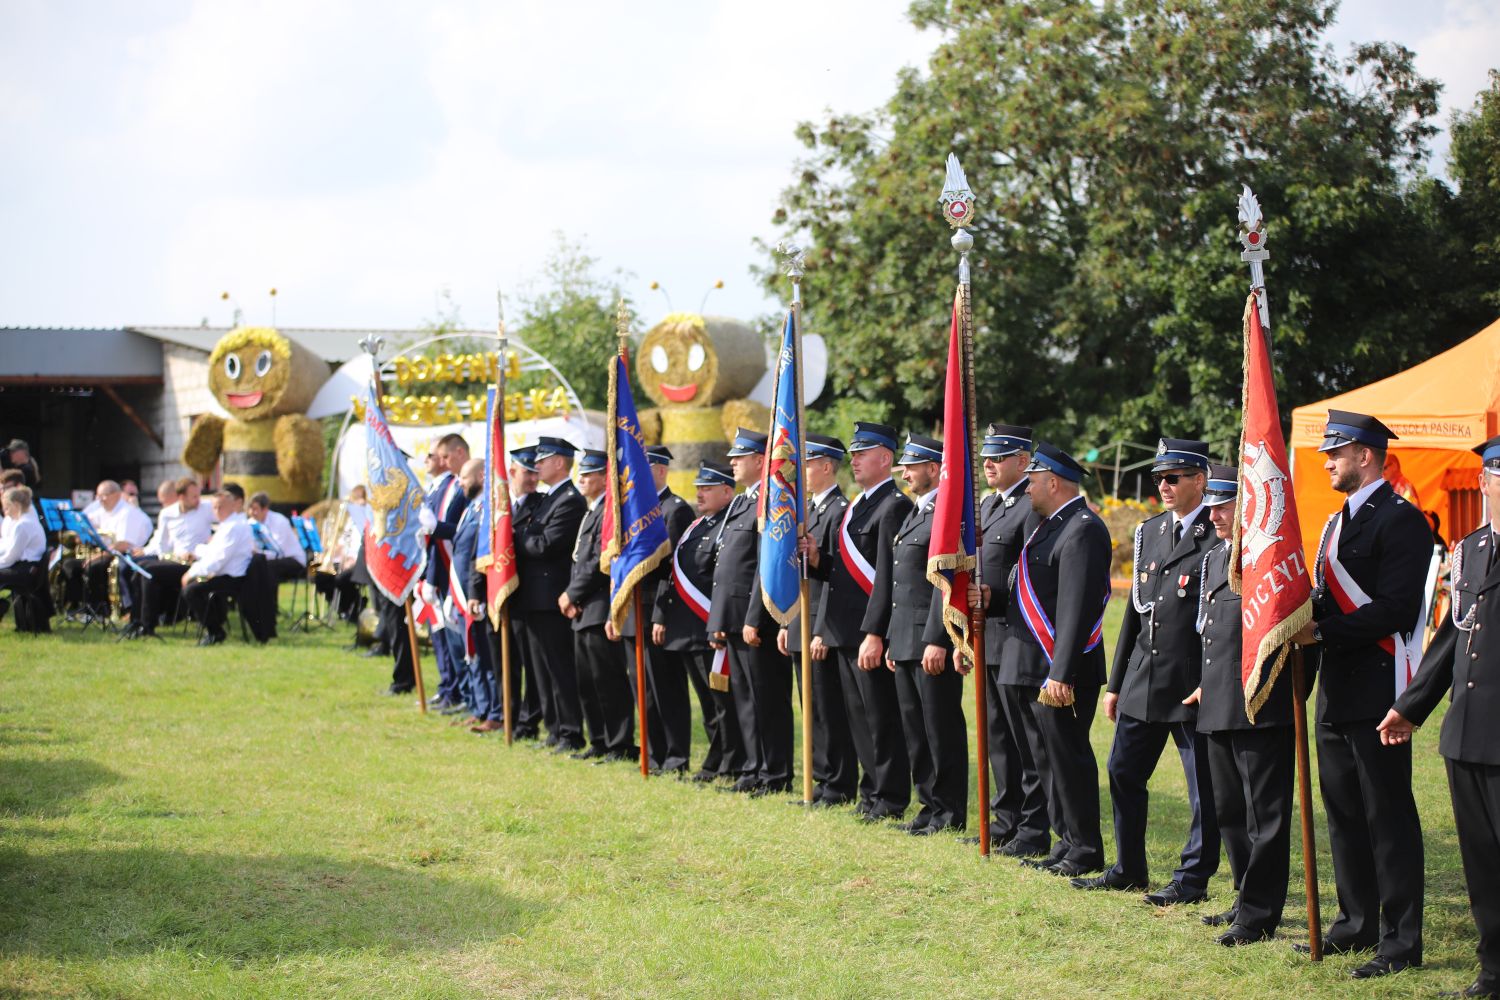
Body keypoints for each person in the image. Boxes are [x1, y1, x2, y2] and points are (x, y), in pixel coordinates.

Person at [1291, 408, 1429, 979]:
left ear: (1365, 456)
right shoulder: (1334, 523)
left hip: (1378, 686)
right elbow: (1325, 595)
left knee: (1387, 816)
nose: (1326, 462)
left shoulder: (1401, 520)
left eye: (1335, 453)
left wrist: (1320, 629)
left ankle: (1400, 941)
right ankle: (1356, 922)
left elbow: (1398, 608)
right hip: (1337, 689)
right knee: (1344, 810)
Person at [1076, 438, 1219, 905]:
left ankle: (1192, 879)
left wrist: (1209, 681)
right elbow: (1137, 616)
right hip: (1144, 676)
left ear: (1200, 480)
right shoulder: (1150, 532)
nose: (1163, 485)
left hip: (1192, 680)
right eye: (1159, 478)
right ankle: (1129, 867)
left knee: (1203, 788)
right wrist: (1115, 684)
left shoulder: (1219, 535)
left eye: (1173, 478)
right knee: (1122, 771)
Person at [1385, 434, 1500, 998]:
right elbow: (1452, 638)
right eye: (1498, 476)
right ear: (1484, 482)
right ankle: (1494, 968)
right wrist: (1410, 708)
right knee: (1482, 864)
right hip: (1467, 731)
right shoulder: (1472, 548)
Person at [1187, 464, 1294, 946]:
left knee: (1263, 814)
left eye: (1225, 504)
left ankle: (1260, 913)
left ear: (1249, 504)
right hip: (1217, 703)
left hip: (1258, 703)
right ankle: (1242, 896)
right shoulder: (1214, 559)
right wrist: (1205, 684)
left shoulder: (1269, 558)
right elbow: (1213, 633)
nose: (1215, 514)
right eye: (1211, 504)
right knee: (1229, 810)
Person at [1005, 442, 1111, 877]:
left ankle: (1085, 847)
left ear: (1053, 481)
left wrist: (1060, 673)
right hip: (1040, 666)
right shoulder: (1051, 526)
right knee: (1047, 760)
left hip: (1063, 670)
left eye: (1032, 480)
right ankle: (1067, 841)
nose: (1027, 488)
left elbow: (1077, 608)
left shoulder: (1082, 528)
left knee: (1069, 759)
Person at [808, 421, 912, 821]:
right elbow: (843, 573)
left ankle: (889, 796)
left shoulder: (893, 505)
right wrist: (820, 560)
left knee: (880, 718)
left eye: (862, 454)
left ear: (885, 459)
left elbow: (888, 577)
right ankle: (871, 793)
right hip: (845, 628)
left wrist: (875, 632)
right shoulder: (857, 505)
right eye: (853, 455)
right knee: (857, 717)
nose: (854, 461)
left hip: (869, 630)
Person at [970, 422, 1049, 855]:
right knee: (997, 736)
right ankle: (1006, 820)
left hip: (1019, 638)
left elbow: (1032, 578)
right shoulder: (987, 505)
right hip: (988, 639)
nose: (988, 465)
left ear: (1023, 461)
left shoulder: (1030, 506)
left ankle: (1035, 830)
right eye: (986, 457)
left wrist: (993, 597)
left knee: (1026, 740)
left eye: (998, 457)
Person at [883, 433, 964, 834]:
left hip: (930, 638)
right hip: (905, 637)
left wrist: (938, 637)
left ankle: (949, 811)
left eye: (912, 467)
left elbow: (943, 582)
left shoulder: (944, 516)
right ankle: (928, 806)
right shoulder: (916, 512)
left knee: (940, 727)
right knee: (916, 730)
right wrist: (894, 637)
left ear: (935, 469)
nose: (906, 474)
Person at [709, 428, 793, 795]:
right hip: (734, 619)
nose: (732, 463)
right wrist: (720, 621)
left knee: (767, 699)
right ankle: (752, 768)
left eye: (738, 457)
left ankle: (775, 774)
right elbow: (725, 568)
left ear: (761, 461)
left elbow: (767, 566)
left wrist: (754, 618)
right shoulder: (742, 503)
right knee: (744, 699)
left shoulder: (772, 502)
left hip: (756, 620)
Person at [656, 460, 745, 782]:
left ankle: (726, 763)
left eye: (707, 488)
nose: (700, 494)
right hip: (685, 627)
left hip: (708, 626)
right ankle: (718, 760)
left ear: (726, 491)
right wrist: (660, 615)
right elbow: (672, 572)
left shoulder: (727, 524)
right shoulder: (696, 526)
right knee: (707, 705)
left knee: (720, 703)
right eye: (698, 488)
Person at [779, 433, 856, 805]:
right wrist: (787, 622)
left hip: (822, 625)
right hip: (802, 621)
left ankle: (837, 784)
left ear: (826, 466)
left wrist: (822, 630)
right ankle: (819, 779)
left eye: (808, 463)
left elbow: (836, 578)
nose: (802, 471)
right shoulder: (808, 510)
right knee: (810, 707)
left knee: (828, 709)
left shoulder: (840, 510)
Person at [561, 449, 637, 761]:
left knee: (608, 680)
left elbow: (597, 562)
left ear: (604, 478)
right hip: (582, 607)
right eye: (582, 472)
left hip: (598, 604)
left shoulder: (611, 511)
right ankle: (600, 739)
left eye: (590, 473)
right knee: (587, 681)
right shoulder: (593, 510)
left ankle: (619, 742)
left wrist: (572, 594)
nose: (582, 478)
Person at [514, 436, 587, 751]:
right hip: (534, 596)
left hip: (553, 595)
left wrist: (516, 537)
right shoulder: (547, 498)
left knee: (559, 667)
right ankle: (555, 729)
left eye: (542, 460)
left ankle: (571, 731)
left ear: (559, 462)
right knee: (540, 669)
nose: (537, 465)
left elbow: (545, 545)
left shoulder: (570, 500)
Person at [637, 445, 696, 775]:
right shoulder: (641, 510)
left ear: (661, 471)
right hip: (639, 608)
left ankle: (675, 757)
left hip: (660, 609)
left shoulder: (674, 510)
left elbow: (672, 569)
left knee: (667, 687)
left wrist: (660, 615)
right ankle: (654, 753)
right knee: (645, 687)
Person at [420, 433, 473, 714]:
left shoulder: (460, 487)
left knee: (461, 640)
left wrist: (434, 528)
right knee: (446, 638)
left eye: (443, 455)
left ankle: (465, 694)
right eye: (435, 456)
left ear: (460, 453)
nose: (439, 460)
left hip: (457, 572)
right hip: (440, 571)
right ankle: (455, 690)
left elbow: (456, 531)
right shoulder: (440, 487)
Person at [124, 477, 214, 637]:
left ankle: (147, 625)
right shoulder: (167, 514)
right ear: (181, 497)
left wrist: (204, 549)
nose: (198, 499)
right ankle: (137, 621)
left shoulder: (206, 509)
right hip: (174, 560)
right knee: (140, 569)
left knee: (149, 572)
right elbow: (161, 544)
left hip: (196, 563)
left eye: (198, 495)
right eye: (193, 496)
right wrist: (164, 555)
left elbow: (226, 526)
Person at [59, 479, 152, 612]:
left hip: (120, 555)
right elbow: (86, 526)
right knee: (69, 565)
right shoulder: (101, 511)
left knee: (94, 567)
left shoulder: (127, 513)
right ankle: (78, 604)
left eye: (103, 495)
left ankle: (98, 608)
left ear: (116, 495)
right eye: (98, 495)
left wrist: (97, 556)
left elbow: (123, 544)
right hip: (101, 553)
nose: (99, 499)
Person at [180, 482, 254, 646]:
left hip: (234, 578)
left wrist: (191, 573)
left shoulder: (233, 527)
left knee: (191, 591)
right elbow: (213, 552)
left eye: (220, 507)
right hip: (225, 574)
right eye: (214, 507)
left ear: (231, 507)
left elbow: (218, 560)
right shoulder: (227, 525)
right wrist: (197, 554)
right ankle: (214, 626)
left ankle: (215, 632)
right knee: (194, 588)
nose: (216, 511)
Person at [0, 485, 47, 623]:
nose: (5, 512)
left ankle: (1, 606)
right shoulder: (26, 521)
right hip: (25, 567)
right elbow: (8, 548)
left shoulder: (23, 525)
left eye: (6, 508)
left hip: (26, 571)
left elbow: (10, 558)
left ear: (16, 505)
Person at [247, 491, 306, 583]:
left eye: (255, 509)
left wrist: (258, 553)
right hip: (272, 558)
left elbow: (279, 552)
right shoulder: (251, 523)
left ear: (265, 509)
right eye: (250, 509)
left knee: (267, 568)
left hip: (293, 560)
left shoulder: (279, 521)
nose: (252, 512)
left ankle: (268, 597)